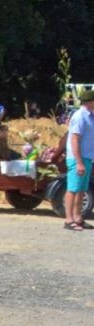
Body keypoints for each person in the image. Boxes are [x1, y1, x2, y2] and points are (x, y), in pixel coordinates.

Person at [65, 87, 94, 231]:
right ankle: (68, 220)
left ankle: (78, 218)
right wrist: (79, 162)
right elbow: (75, 140)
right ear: (90, 101)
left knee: (82, 189)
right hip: (77, 159)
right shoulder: (80, 116)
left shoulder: (90, 116)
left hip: (87, 158)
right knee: (73, 188)